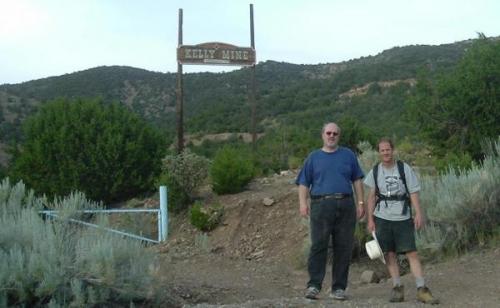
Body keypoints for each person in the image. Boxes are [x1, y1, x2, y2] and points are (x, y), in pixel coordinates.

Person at [364, 138, 439, 304]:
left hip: (403, 217)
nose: (385, 153)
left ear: (393, 150)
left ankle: (422, 289)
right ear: (379, 152)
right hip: (382, 218)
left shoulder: (404, 168)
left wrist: (418, 213)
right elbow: (371, 197)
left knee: (411, 252)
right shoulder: (375, 171)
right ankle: (397, 288)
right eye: (382, 150)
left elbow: (413, 192)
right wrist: (370, 219)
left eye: (388, 149)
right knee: (389, 254)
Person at [296, 122, 365, 301]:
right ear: (323, 135)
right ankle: (313, 286)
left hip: (346, 204)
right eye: (329, 133)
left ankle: (338, 288)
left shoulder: (348, 155)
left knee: (343, 247)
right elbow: (304, 183)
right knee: (319, 245)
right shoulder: (313, 157)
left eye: (335, 133)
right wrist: (303, 204)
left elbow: (357, 179)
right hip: (321, 205)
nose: (332, 136)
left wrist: (360, 202)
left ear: (338, 136)